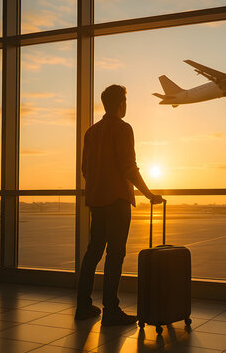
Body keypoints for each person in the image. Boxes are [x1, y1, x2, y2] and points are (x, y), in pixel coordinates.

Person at [75, 84, 164, 325]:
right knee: (115, 255)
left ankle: (83, 305)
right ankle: (111, 309)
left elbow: (85, 169)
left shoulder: (91, 132)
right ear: (121, 104)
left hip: (97, 200)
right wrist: (148, 193)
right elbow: (129, 167)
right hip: (117, 201)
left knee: (93, 252)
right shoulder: (123, 129)